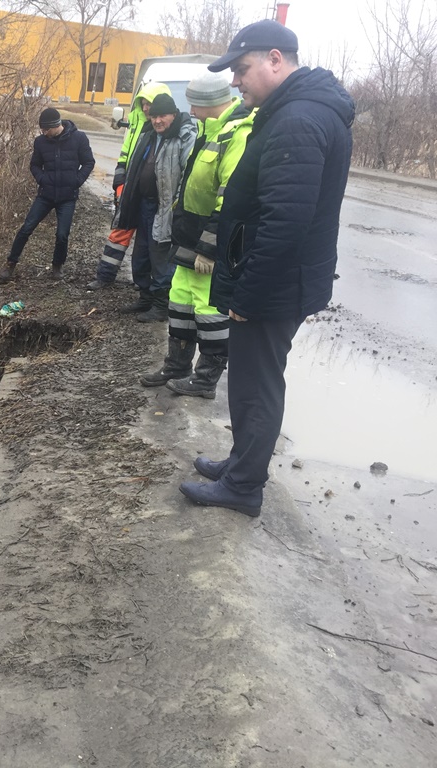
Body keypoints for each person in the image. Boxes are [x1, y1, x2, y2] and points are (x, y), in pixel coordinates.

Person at [179, 19, 355, 517]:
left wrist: (247, 297)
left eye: (242, 69)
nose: (236, 81)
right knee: (252, 378)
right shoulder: (292, 110)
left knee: (257, 383)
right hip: (277, 280)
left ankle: (243, 487)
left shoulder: (298, 119)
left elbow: (284, 223)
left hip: (275, 285)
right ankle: (241, 462)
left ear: (275, 59)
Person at [139, 72, 254, 396]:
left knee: (208, 310)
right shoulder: (207, 129)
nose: (188, 108)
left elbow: (231, 197)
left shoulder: (237, 134)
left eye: (193, 102)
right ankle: (176, 365)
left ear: (208, 103)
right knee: (181, 302)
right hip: (188, 235)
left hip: (206, 241)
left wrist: (211, 247)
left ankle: (205, 380)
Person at [112, 93, 197, 321]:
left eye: (163, 116)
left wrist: (176, 209)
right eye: (154, 116)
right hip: (144, 206)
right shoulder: (148, 135)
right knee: (140, 256)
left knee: (161, 258)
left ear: (173, 115)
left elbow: (187, 176)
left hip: (165, 208)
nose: (157, 120)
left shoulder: (183, 137)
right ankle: (145, 297)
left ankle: (161, 305)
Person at [86, 82, 172, 291]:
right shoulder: (137, 122)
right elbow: (126, 152)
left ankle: (144, 282)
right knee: (120, 231)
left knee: (150, 240)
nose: (144, 108)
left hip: (151, 195)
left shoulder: (160, 128)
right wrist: (120, 178)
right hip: (130, 186)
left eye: (148, 103)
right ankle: (105, 276)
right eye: (142, 103)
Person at [0, 107, 95, 283]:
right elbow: (34, 165)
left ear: (55, 126)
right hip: (46, 194)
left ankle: (57, 266)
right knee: (26, 228)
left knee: (62, 234)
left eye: (45, 129)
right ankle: (10, 263)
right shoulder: (41, 142)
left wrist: (77, 180)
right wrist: (42, 179)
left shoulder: (79, 138)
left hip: (67, 196)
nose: (43, 133)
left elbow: (89, 162)